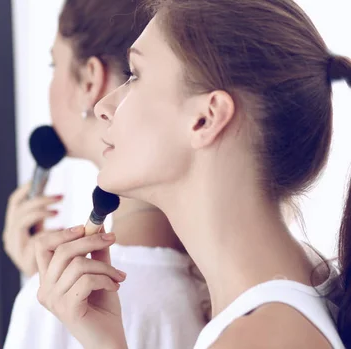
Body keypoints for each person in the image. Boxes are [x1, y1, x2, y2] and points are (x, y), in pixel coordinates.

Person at [34, 0, 351, 348]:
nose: (104, 107)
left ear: (206, 118)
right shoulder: (298, 290)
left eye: (134, 76)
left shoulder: (259, 337)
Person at [3, 1, 208, 348]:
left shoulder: (79, 309)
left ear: (89, 80)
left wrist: (39, 297)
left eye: (55, 63)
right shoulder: (214, 287)